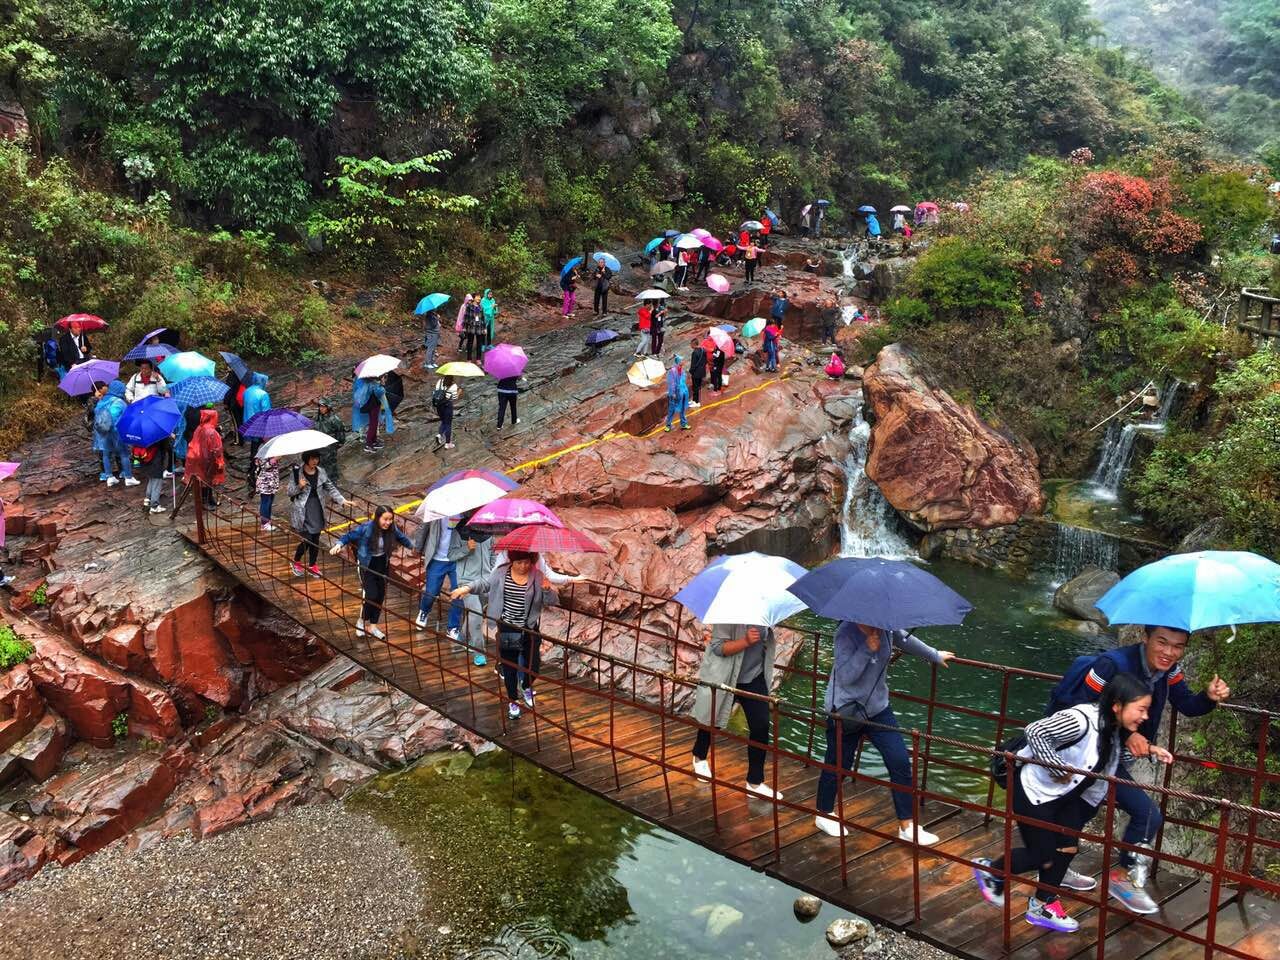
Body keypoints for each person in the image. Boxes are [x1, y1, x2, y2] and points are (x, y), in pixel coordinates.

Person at [973, 674, 1174, 934]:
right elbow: (1036, 731)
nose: (1145, 717)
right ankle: (992, 871)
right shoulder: (1081, 720)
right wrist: (1057, 766)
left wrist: (1150, 750)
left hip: (1063, 794)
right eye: (1141, 709)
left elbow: (1103, 758)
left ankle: (1042, 906)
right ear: (1117, 705)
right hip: (1033, 790)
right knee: (1043, 855)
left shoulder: (1113, 728)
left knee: (1067, 847)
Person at [1049, 625, 1229, 913]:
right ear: (1145, 639)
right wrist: (1126, 734)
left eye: (1178, 646)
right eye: (1162, 642)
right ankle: (1123, 878)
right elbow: (1077, 708)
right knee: (1146, 814)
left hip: (1111, 756)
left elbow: (1187, 705)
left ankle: (1053, 874)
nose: (1169, 652)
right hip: (1087, 754)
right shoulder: (1112, 665)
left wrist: (1208, 697)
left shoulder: (1168, 671)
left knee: (1081, 812)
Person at [813, 622, 954, 843]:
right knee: (839, 764)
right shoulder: (846, 632)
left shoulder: (886, 627)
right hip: (846, 709)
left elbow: (906, 640)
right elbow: (846, 677)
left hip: (878, 709)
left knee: (899, 760)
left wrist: (934, 655)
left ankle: (907, 826)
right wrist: (867, 648)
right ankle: (823, 813)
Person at [449, 551, 557, 719]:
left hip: (529, 628)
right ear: (512, 561)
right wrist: (467, 588)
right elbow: (485, 584)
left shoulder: (537, 576)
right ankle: (513, 700)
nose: (524, 566)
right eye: (519, 562)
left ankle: (526, 687)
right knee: (510, 667)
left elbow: (551, 601)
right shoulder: (501, 573)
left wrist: (547, 590)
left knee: (533, 667)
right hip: (508, 627)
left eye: (527, 562)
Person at [689, 623, 781, 799]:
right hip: (727, 676)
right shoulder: (730, 614)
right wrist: (745, 641)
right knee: (713, 718)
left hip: (754, 677)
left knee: (761, 726)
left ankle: (754, 782)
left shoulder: (764, 615)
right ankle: (699, 756)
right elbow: (717, 648)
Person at [331, 505, 413, 640]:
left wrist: (413, 547)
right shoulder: (366, 528)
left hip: (382, 563)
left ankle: (373, 626)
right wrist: (339, 544)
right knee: (371, 595)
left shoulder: (392, 529)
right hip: (367, 565)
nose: (388, 523)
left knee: (380, 595)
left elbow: (402, 538)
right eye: (385, 519)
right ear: (377, 517)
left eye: (390, 519)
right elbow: (349, 536)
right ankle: (361, 621)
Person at [288, 452, 346, 577]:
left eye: (317, 459)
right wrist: (299, 486)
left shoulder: (321, 471)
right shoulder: (297, 473)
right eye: (312, 459)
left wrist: (342, 500)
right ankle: (296, 560)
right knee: (308, 539)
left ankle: (312, 565)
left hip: (317, 508)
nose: (315, 461)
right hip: (303, 510)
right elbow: (290, 492)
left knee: (315, 539)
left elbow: (330, 487)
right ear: (306, 459)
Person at [451, 521, 496, 666]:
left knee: (474, 613)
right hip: (466, 581)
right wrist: (466, 548)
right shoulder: (459, 531)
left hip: (485, 582)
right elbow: (451, 554)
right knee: (476, 615)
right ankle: (479, 653)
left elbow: (492, 554)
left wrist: (493, 573)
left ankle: (462, 637)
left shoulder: (489, 532)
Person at [414, 515, 461, 635]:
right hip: (437, 558)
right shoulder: (436, 511)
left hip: (457, 558)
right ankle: (424, 610)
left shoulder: (464, 512)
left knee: (459, 594)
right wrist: (418, 547)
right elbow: (424, 528)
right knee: (431, 592)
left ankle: (453, 626)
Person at [92, 380, 137, 488]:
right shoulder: (119, 401)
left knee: (106, 455)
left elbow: (96, 414)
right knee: (124, 454)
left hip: (103, 432)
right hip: (117, 432)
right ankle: (128, 477)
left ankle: (110, 477)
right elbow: (126, 416)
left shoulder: (101, 400)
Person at [183, 409, 225, 509]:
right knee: (206, 481)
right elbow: (215, 448)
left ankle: (209, 499)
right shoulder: (210, 432)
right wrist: (216, 460)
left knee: (206, 481)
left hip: (198, 458)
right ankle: (205, 502)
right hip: (206, 460)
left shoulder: (200, 428)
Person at [242, 372, 271, 487]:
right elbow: (266, 412)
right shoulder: (263, 394)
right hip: (259, 424)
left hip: (248, 422)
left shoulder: (247, 391)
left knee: (254, 445)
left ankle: (252, 468)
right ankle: (257, 471)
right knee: (261, 447)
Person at [352, 374, 393, 455]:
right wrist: (382, 384)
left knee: (374, 423)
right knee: (373, 424)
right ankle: (369, 444)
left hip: (372, 405)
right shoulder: (373, 383)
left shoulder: (368, 381)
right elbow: (379, 392)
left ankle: (374, 441)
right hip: (373, 406)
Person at [136, 435, 172, 515]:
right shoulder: (159, 434)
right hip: (156, 461)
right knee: (157, 482)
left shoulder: (142, 433)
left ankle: (148, 499)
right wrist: (169, 438)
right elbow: (166, 446)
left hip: (146, 460)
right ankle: (154, 506)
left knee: (151, 479)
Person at [314, 398, 347, 481]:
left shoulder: (334, 419)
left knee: (331, 463)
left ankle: (333, 479)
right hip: (319, 443)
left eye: (323, 407)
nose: (321, 409)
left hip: (330, 444)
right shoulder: (318, 418)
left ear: (328, 407)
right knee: (320, 462)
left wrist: (340, 442)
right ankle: (322, 478)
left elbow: (340, 431)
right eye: (320, 407)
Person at [432, 375, 460, 449]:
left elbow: (437, 392)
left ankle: (439, 434)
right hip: (447, 406)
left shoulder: (440, 381)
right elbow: (454, 397)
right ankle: (448, 443)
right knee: (448, 424)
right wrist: (459, 392)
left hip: (438, 405)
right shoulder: (453, 385)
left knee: (444, 421)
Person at [665, 355, 691, 432]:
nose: (683, 361)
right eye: (682, 360)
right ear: (678, 361)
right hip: (675, 393)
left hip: (683, 392)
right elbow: (671, 383)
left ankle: (684, 424)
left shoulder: (682, 370)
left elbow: (683, 381)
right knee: (671, 409)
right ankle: (668, 425)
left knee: (682, 409)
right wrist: (673, 393)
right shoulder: (672, 371)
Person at [255, 456, 280, 530]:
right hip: (265, 481)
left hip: (272, 481)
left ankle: (268, 521)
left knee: (270, 501)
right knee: (265, 502)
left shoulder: (273, 451)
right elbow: (263, 465)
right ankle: (264, 523)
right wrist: (275, 459)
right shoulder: (263, 450)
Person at [689, 339, 707, 408]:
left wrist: (691, 371)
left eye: (691, 344)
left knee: (695, 387)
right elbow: (705, 361)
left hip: (696, 373)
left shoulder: (694, 353)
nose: (690, 346)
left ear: (693, 344)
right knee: (697, 387)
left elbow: (693, 365)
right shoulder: (703, 350)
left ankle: (697, 402)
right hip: (701, 372)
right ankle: (694, 400)